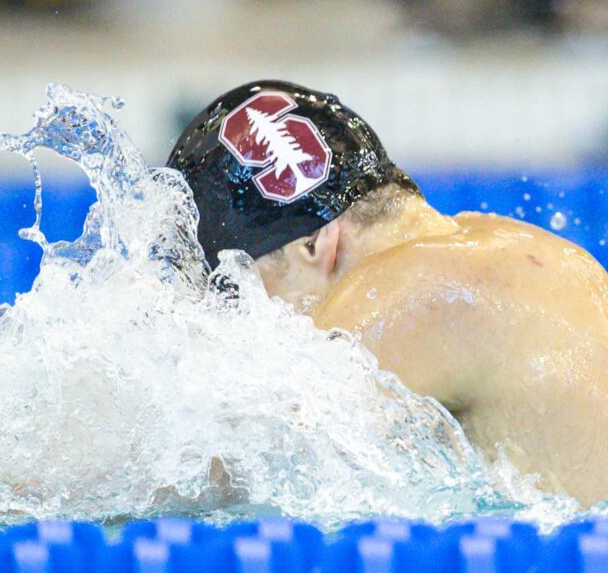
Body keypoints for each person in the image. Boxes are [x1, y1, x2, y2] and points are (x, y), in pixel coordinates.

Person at [168, 79, 608, 506]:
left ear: (314, 245)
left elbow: (201, 472)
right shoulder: (500, 243)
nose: (246, 321)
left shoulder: (404, 292)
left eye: (240, 291)